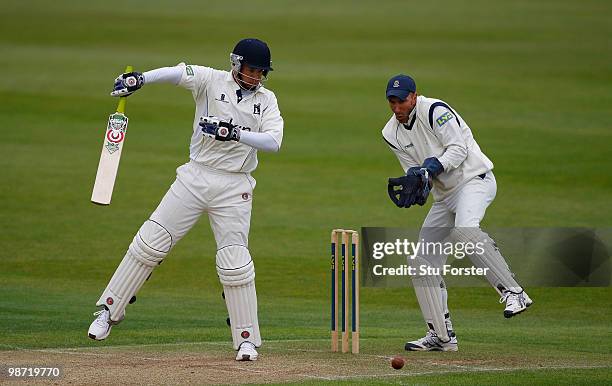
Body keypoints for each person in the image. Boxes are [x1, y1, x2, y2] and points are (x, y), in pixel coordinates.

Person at [88, 38, 283, 361]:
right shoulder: (210, 79)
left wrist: (233, 133)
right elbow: (177, 72)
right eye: (252, 70)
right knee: (150, 242)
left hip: (235, 187)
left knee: (234, 262)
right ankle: (108, 312)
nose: (257, 77)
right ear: (236, 64)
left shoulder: (267, 100)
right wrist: (141, 79)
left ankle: (246, 339)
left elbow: (274, 141)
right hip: (195, 177)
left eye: (262, 72)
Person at [382, 74, 532, 352]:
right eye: (392, 101)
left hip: (474, 180)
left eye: (401, 100)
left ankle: (514, 293)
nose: (397, 107)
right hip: (445, 197)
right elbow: (415, 172)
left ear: (414, 96)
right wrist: (419, 182)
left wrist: (431, 168)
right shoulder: (390, 133)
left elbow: (459, 149)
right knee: (420, 260)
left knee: (466, 230)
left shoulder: (435, 111)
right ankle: (441, 336)